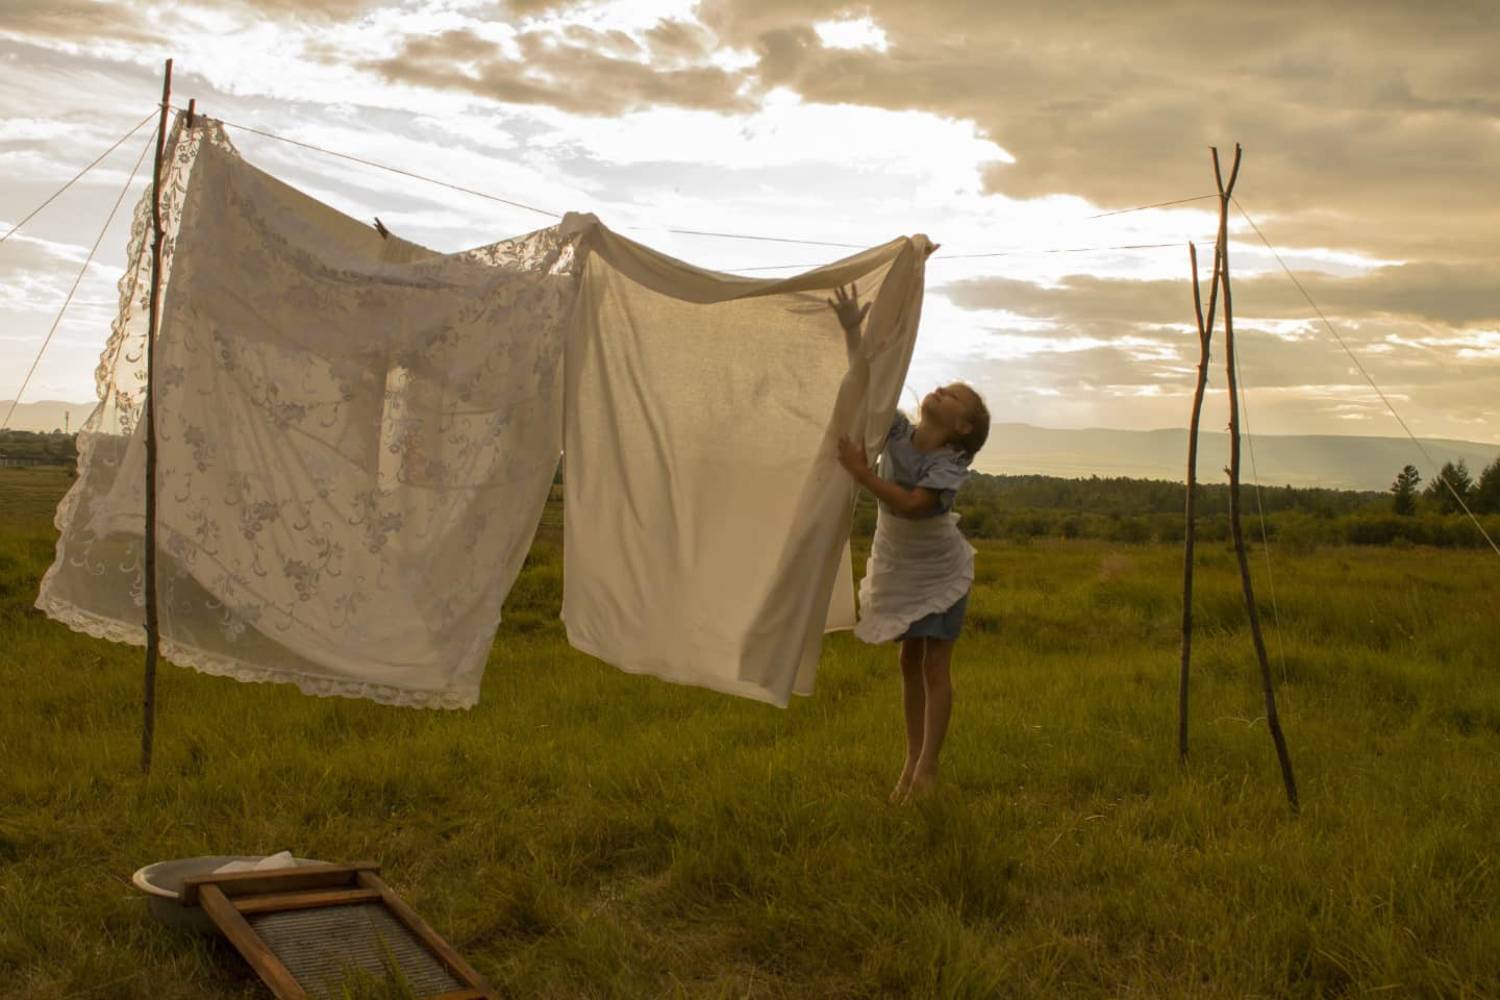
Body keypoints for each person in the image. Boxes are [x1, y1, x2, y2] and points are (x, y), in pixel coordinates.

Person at [827, 283, 990, 803]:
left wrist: (862, 475)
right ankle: (909, 763)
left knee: (935, 667)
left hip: (940, 574)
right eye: (944, 386)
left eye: (954, 395)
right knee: (907, 664)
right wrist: (853, 330)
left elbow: (915, 505)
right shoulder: (897, 433)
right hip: (900, 565)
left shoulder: (949, 464)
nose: (940, 390)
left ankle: (927, 768)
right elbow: (868, 387)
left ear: (962, 427)